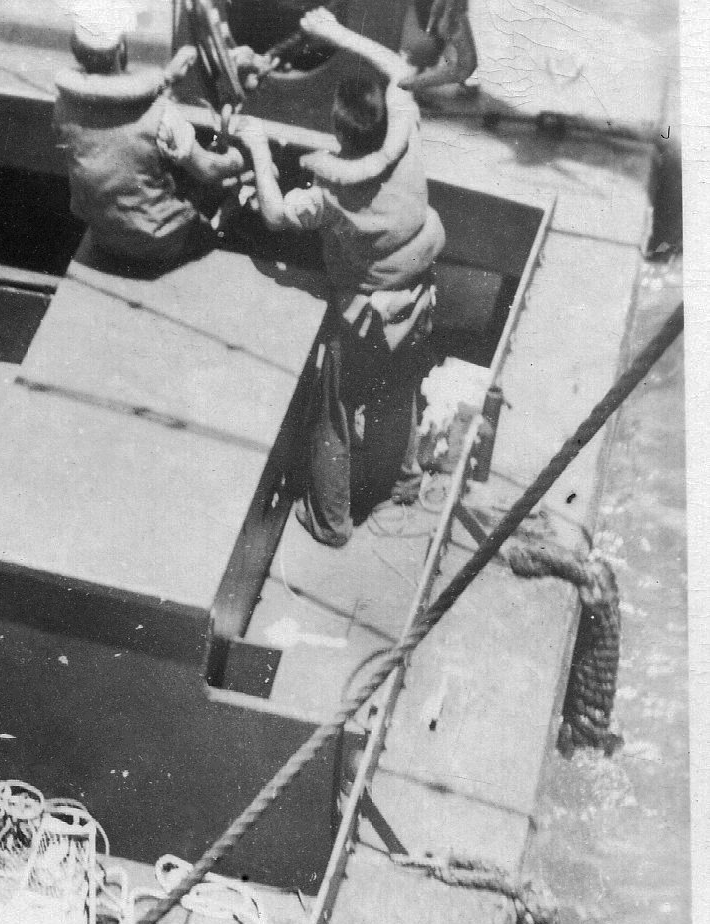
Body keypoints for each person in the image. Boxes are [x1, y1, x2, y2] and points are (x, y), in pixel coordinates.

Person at [237, 9, 445, 546]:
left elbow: (276, 215)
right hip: (418, 299)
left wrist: (257, 146)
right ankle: (403, 483)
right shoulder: (407, 132)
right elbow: (401, 70)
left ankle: (331, 523)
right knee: (399, 389)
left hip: (368, 319)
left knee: (335, 410)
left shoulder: (329, 194)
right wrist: (336, 32)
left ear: (338, 133)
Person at [53, 0, 250, 275]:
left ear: (77, 51)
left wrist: (167, 78)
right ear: (121, 49)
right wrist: (240, 158)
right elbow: (208, 170)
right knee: (223, 191)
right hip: (162, 244)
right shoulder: (162, 113)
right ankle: (217, 227)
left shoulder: (63, 106)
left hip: (105, 239)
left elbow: (113, 109)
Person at [400, 0, 477, 97]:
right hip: (445, 15)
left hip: (445, 14)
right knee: (462, 64)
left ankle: (415, 82)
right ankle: (414, 82)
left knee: (455, 58)